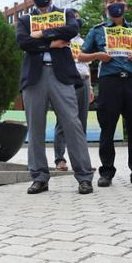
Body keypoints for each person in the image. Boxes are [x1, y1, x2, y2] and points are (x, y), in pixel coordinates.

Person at [16, 0, 94, 195]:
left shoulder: (65, 13)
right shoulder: (24, 20)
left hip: (61, 76)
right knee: (36, 128)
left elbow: (71, 30)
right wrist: (52, 42)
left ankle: (84, 177)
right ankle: (39, 176)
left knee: (73, 125)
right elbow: (24, 42)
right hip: (34, 78)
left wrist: (41, 34)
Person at [79, 0, 132, 187]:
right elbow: (81, 56)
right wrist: (98, 56)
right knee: (108, 129)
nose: (115, 3)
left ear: (126, 5)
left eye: (119, 0)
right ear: (106, 6)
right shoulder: (97, 30)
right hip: (109, 82)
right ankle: (107, 172)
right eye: (111, 1)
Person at [53, 10, 94, 171]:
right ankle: (60, 159)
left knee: (81, 123)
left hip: (83, 81)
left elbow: (87, 66)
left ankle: (82, 161)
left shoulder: (84, 42)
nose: (76, 21)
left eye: (78, 18)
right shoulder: (62, 40)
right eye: (73, 18)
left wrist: (90, 86)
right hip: (66, 82)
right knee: (62, 122)